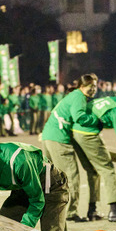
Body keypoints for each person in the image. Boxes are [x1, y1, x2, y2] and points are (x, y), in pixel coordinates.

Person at [71, 86, 116, 221]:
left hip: (75, 133)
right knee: (108, 170)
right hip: (88, 135)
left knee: (93, 171)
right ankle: (114, 210)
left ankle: (92, 210)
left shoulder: (108, 99)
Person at [41, 74, 101, 221]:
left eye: (95, 86)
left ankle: (48, 209)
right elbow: (78, 116)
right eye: (90, 86)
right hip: (59, 138)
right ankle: (70, 213)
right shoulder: (79, 97)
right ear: (82, 86)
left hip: (49, 135)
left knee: (50, 177)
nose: (93, 89)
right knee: (71, 176)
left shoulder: (74, 95)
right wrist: (96, 121)